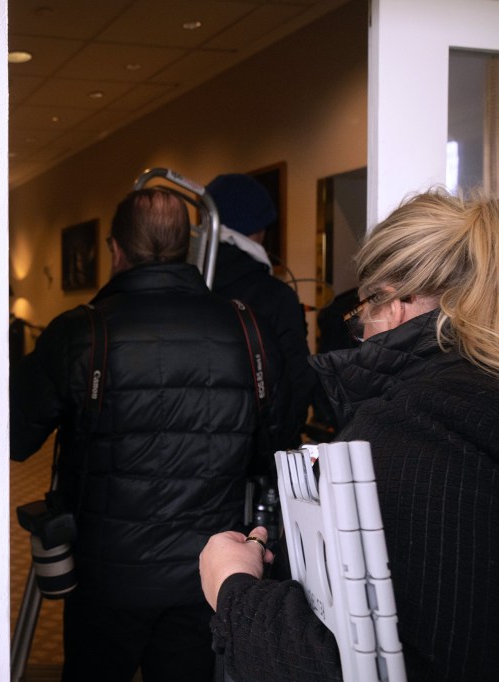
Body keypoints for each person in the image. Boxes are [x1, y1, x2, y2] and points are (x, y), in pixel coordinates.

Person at [198, 188, 499, 681]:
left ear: (394, 302)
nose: (362, 331)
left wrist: (234, 587)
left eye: (363, 313)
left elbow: (349, 668)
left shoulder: (411, 430)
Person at [11, 188, 271, 681]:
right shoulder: (244, 327)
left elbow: (17, 436)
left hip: (105, 575)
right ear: (187, 247)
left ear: (115, 249)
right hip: (207, 571)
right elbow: (268, 446)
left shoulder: (81, 330)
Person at [207, 173, 316, 455]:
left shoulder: (190, 287)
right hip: (262, 458)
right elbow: (299, 378)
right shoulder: (276, 297)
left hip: (198, 454)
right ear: (260, 229)